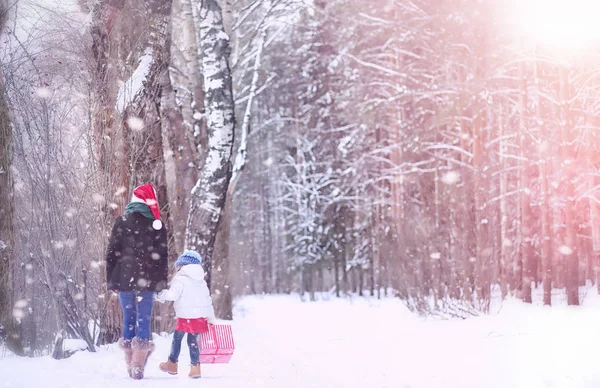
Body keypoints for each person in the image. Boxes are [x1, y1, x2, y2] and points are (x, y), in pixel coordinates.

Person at [105, 183, 169, 380]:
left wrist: (111, 281)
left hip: (123, 279)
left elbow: (111, 254)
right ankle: (138, 365)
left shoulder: (121, 222)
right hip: (148, 281)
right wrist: (160, 283)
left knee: (129, 319)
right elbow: (162, 256)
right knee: (143, 319)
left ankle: (130, 363)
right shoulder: (156, 224)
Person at [157, 250, 216, 379]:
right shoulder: (201, 281)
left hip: (186, 317)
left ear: (183, 265)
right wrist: (211, 318)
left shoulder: (180, 279)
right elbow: (208, 301)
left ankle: (172, 363)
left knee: (177, 339)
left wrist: (160, 294)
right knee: (193, 341)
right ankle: (195, 368)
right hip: (200, 317)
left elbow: (173, 295)